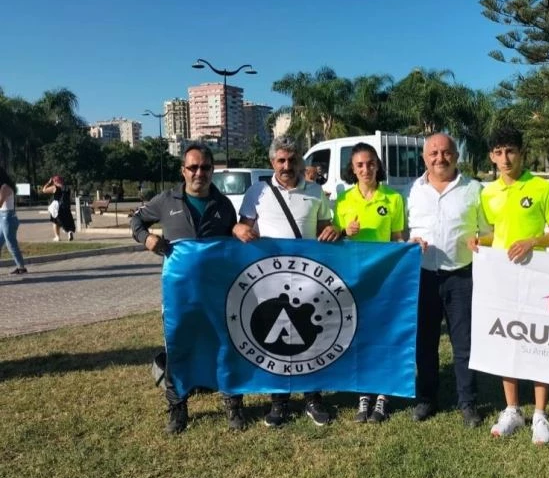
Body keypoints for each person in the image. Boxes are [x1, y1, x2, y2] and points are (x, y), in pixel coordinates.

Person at [131, 143, 243, 434]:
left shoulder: (224, 205)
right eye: (193, 167)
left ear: (213, 170)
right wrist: (146, 239)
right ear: (183, 171)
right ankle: (177, 409)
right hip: (179, 295)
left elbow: (233, 241)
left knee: (224, 346)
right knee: (179, 347)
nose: (199, 173)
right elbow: (137, 220)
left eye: (205, 167)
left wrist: (236, 230)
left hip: (217, 294)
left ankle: (233, 404)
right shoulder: (166, 200)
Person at [233, 136, 340, 428]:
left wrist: (333, 230)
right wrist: (239, 229)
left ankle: (312, 398)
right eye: (281, 160)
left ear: (301, 162)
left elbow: (324, 230)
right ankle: (278, 401)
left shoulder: (316, 192)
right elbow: (244, 226)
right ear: (272, 163)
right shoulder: (257, 192)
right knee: (274, 340)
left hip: (308, 279)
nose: (286, 166)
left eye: (292, 160)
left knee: (311, 337)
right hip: (270, 281)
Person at [474, 125, 549, 444]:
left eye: (510, 151)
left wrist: (532, 241)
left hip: (536, 274)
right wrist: (478, 241)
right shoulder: (488, 193)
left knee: (539, 340)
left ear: (522, 152)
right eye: (498, 152)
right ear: (491, 157)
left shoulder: (542, 188)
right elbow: (494, 233)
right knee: (508, 338)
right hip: (502, 278)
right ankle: (512, 408)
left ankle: (540, 413)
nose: (505, 158)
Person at [407, 133, 489, 428]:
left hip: (462, 276)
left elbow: (488, 230)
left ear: (456, 155)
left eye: (445, 152)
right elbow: (405, 233)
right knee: (424, 342)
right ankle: (426, 398)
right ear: (424, 158)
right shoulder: (413, 190)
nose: (439, 158)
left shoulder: (475, 189)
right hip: (423, 276)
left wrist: (482, 240)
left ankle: (467, 401)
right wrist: (411, 241)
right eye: (433, 153)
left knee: (464, 342)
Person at [333, 142, 405, 423]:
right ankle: (364, 396)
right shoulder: (343, 201)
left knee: (384, 336)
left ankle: (383, 397)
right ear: (352, 169)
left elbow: (398, 239)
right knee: (360, 336)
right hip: (355, 278)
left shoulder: (393, 198)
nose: (366, 169)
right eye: (360, 165)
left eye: (370, 163)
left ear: (378, 165)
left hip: (385, 278)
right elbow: (335, 239)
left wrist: (408, 251)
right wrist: (343, 231)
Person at [0, 166, 27, 275]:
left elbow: (0, 202)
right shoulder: (3, 187)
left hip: (8, 218)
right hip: (3, 217)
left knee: (11, 243)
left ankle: (21, 267)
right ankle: (20, 266)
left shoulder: (5, 188)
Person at [42, 175, 76, 241]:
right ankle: (69, 232)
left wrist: (48, 183)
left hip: (57, 207)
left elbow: (44, 190)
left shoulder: (55, 187)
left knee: (55, 222)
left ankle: (57, 237)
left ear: (54, 181)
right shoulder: (67, 188)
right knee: (68, 221)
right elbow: (70, 198)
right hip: (66, 207)